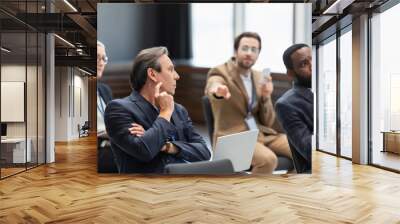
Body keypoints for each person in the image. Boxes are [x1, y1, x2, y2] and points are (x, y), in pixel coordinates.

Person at [104, 46, 211, 173]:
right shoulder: (118, 109)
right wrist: (165, 113)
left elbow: (204, 152)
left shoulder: (178, 110)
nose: (177, 76)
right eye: (171, 70)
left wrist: (167, 147)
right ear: (152, 74)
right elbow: (144, 150)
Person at [205, 32, 292, 174]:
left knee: (302, 148)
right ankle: (252, 194)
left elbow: (268, 122)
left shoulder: (258, 76)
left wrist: (265, 97)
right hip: (234, 137)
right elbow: (213, 83)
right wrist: (217, 91)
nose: (249, 53)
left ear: (258, 54)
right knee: (268, 160)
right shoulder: (221, 72)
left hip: (260, 134)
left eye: (254, 50)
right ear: (235, 50)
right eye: (245, 48)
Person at [275, 43, 313, 173]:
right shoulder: (287, 105)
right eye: (304, 64)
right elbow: (309, 151)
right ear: (291, 73)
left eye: (313, 58)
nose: (312, 65)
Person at [97, 40, 118, 173]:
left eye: (103, 58)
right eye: (97, 57)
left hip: (111, 142)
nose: (101, 62)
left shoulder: (105, 90)